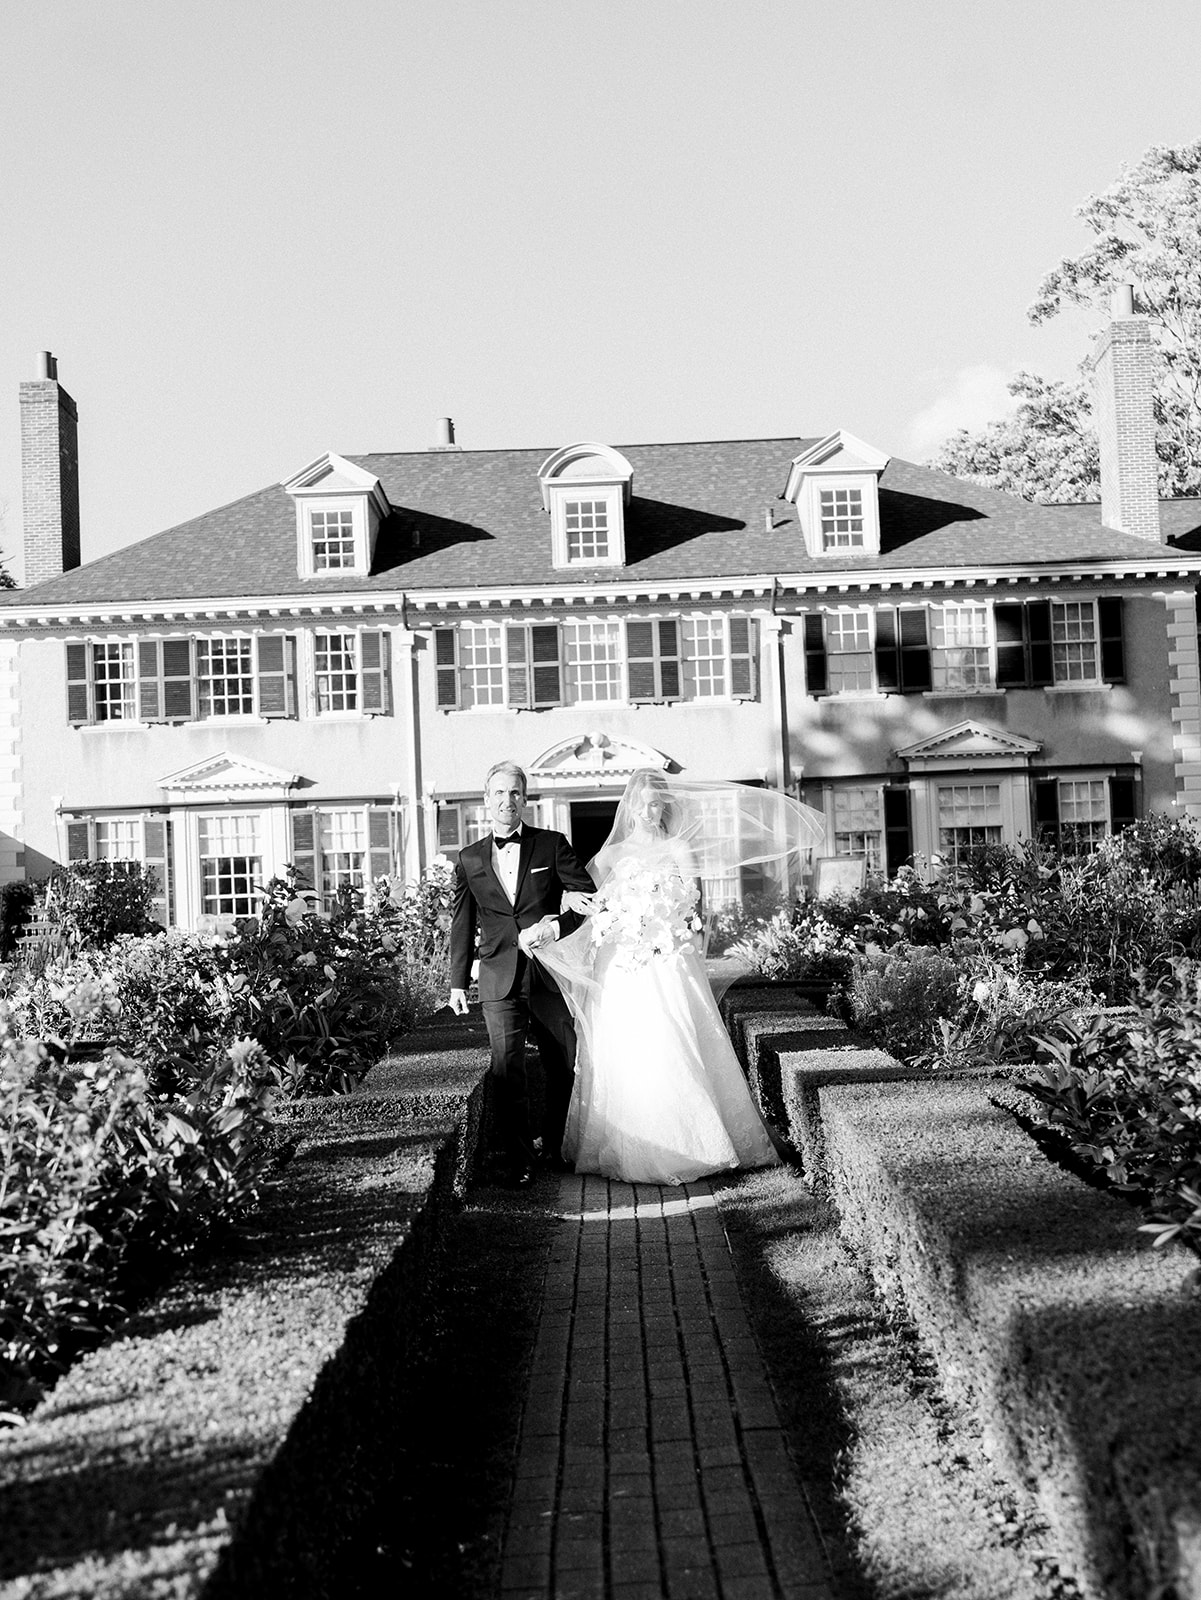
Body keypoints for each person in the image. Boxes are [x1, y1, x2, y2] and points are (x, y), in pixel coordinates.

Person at [535, 769, 826, 1186]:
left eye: (658, 803)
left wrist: (663, 920)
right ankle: (630, 1140)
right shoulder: (609, 857)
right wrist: (564, 908)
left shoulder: (677, 848)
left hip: (667, 957)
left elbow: (692, 906)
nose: (652, 810)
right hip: (622, 962)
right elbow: (588, 904)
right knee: (629, 1046)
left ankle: (697, 1143)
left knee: (676, 1037)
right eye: (645, 802)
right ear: (631, 805)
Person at [448, 760, 595, 1186]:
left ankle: (555, 1145)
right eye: (499, 792)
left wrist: (553, 927)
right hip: (498, 977)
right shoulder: (469, 858)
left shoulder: (551, 845)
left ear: (524, 799)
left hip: (549, 975)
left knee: (564, 1064)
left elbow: (588, 900)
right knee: (508, 1070)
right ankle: (520, 1163)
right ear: (486, 799)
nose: (506, 800)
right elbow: (462, 921)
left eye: (515, 792)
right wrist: (458, 981)